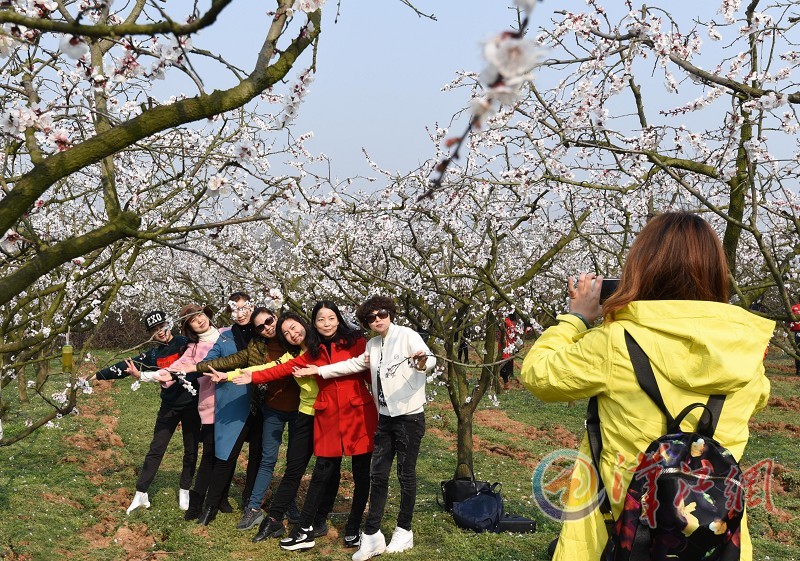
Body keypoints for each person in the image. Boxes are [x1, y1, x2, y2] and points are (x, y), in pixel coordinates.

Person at [520, 212, 773, 561]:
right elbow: (758, 400)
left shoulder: (615, 341)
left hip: (623, 537)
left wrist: (576, 317)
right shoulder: (745, 350)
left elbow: (539, 374)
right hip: (712, 539)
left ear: (641, 268)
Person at [296, 295, 436, 559]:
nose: (377, 320)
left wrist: (422, 362)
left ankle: (404, 529)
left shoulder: (407, 335)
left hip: (409, 417)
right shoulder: (372, 344)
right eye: (371, 318)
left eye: (381, 314)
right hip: (384, 418)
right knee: (378, 475)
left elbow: (427, 360)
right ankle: (372, 535)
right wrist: (317, 371)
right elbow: (352, 364)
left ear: (390, 313)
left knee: (405, 475)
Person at [233, 301, 377, 552]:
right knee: (323, 470)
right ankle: (307, 527)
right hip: (329, 414)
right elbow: (282, 368)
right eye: (321, 320)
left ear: (339, 318)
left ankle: (354, 527)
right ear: (314, 323)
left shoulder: (356, 342)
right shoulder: (313, 350)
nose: (327, 324)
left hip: (358, 412)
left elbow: (369, 374)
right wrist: (252, 376)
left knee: (361, 473)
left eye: (331, 318)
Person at [189, 306, 303, 531]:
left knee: (295, 461)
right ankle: (245, 507)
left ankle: (289, 505)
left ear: (276, 317)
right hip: (272, 407)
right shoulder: (257, 346)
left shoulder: (296, 340)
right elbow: (238, 361)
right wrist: (194, 367)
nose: (267, 328)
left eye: (269, 321)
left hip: (302, 407)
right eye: (260, 326)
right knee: (265, 458)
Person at [87, 310, 199, 514]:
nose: (160, 332)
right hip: (169, 406)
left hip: (192, 404)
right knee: (157, 448)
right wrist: (97, 375)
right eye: (155, 330)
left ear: (169, 325)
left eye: (162, 327)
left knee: (190, 450)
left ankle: (185, 489)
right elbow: (126, 366)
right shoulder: (154, 355)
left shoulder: (185, 344)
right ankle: (141, 492)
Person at [141, 303, 222, 522]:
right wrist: (142, 377)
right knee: (202, 449)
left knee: (216, 450)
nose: (161, 331)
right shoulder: (189, 348)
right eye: (193, 320)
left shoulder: (222, 335)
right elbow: (173, 369)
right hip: (196, 403)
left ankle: (210, 494)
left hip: (219, 399)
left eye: (200, 315)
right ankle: (148, 490)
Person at [791, 298, 800, 376]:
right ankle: (798, 369)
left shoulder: (794, 307)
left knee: (798, 350)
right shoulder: (794, 308)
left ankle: (798, 369)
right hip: (798, 331)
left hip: (797, 331)